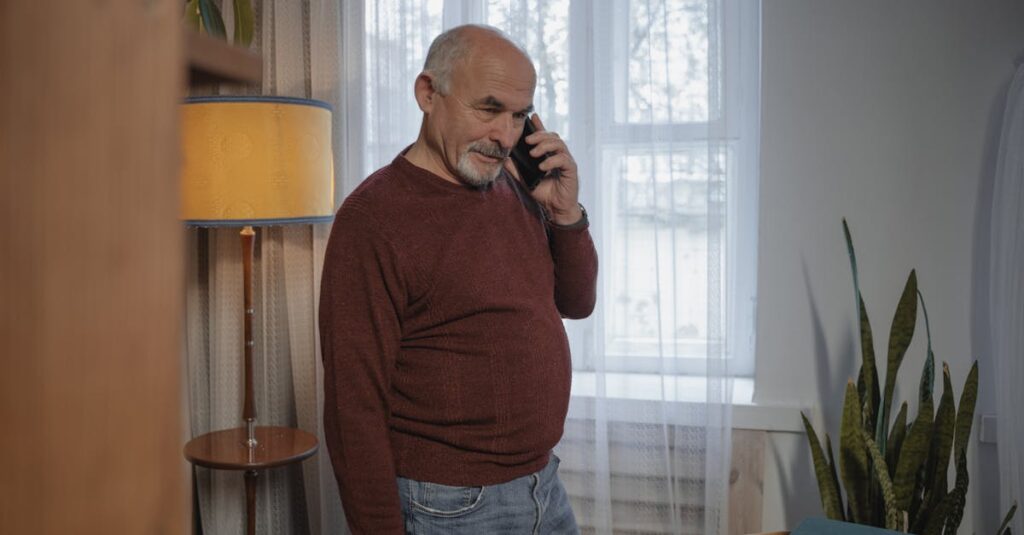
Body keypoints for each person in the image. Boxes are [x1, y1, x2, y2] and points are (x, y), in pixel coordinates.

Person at [319, 24, 597, 535]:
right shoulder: (373, 219)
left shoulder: (515, 187)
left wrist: (566, 212)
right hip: (447, 505)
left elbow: (576, 301)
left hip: (544, 485)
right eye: (488, 109)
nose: (506, 136)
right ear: (428, 93)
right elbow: (351, 407)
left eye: (518, 116)